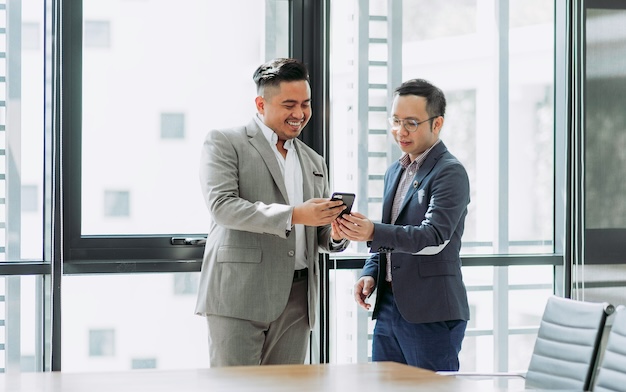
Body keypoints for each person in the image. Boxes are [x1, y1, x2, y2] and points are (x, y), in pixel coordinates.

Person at [194, 58, 349, 367]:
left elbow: (315, 232)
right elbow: (223, 207)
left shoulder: (315, 161)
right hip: (239, 293)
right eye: (289, 104)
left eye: (306, 104)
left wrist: (334, 233)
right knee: (235, 389)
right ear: (260, 104)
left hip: (299, 298)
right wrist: (294, 214)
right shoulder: (225, 142)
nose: (300, 114)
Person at [336, 78, 470, 371]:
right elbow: (390, 234)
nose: (400, 131)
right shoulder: (395, 171)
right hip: (388, 308)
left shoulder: (450, 172)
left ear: (437, 124)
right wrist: (371, 272)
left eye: (411, 122)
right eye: (395, 121)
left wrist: (372, 231)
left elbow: (433, 237)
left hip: (431, 313)